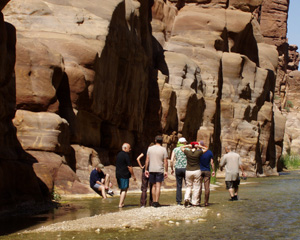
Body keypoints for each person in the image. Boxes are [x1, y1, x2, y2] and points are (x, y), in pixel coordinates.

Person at [145, 135, 168, 208]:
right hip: (159, 169)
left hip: (151, 169)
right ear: (161, 141)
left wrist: (146, 169)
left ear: (155, 140)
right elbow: (165, 161)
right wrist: (166, 170)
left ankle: (153, 201)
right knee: (158, 186)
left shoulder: (150, 149)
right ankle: (156, 202)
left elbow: (147, 160)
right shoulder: (163, 149)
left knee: (153, 186)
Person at [181, 142, 207, 207]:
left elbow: (181, 148)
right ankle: (195, 202)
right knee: (196, 186)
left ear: (191, 146)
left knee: (189, 186)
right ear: (196, 146)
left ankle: (187, 198)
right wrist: (200, 146)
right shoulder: (198, 152)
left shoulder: (187, 152)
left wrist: (187, 146)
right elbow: (206, 149)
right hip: (197, 170)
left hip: (188, 170)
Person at [115, 143, 136, 208]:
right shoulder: (126, 155)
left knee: (122, 189)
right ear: (125, 148)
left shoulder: (118, 154)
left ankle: (121, 203)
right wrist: (133, 175)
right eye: (129, 148)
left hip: (118, 174)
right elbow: (129, 166)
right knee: (124, 189)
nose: (130, 149)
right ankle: (120, 204)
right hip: (124, 174)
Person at [170, 137, 188, 205]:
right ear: (184, 143)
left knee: (179, 185)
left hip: (177, 168)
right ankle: (187, 199)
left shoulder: (175, 149)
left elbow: (171, 160)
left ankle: (179, 201)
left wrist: (172, 169)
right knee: (187, 185)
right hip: (186, 168)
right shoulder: (187, 149)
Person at [199, 141, 215, 207]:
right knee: (207, 187)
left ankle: (198, 201)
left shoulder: (198, 152)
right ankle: (206, 202)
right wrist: (213, 170)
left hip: (199, 170)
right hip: (207, 170)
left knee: (199, 187)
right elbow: (212, 163)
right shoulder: (209, 152)